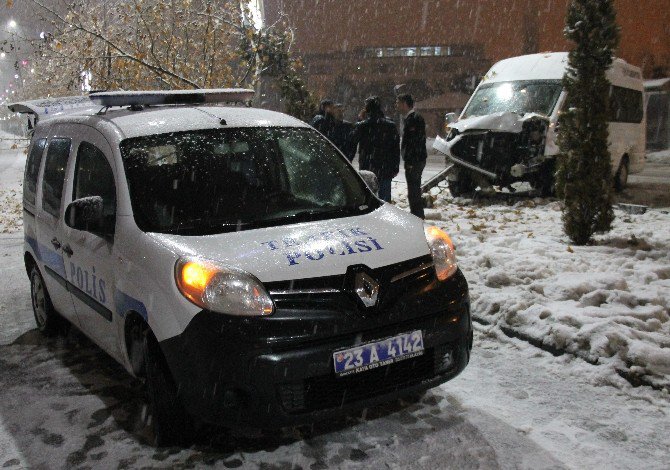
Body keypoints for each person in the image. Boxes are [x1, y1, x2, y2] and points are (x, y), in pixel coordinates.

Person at [351, 96, 400, 202]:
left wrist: (359, 120)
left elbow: (352, 140)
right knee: (385, 199)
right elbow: (395, 149)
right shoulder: (390, 126)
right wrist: (395, 167)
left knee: (369, 198)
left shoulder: (363, 126)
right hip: (385, 167)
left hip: (368, 166)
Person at [396, 93, 427, 219]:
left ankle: (417, 216)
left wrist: (410, 159)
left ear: (404, 104)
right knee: (413, 190)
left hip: (414, 161)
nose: (396, 106)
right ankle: (417, 215)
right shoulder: (411, 118)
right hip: (415, 159)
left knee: (413, 191)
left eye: (397, 103)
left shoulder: (414, 119)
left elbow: (414, 141)